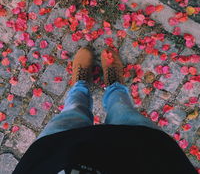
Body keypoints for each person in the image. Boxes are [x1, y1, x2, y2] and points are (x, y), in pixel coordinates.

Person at [13, 47, 198, 174]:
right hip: (142, 157)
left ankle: (81, 85)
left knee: (72, 114)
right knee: (124, 114)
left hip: (58, 158)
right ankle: (115, 86)